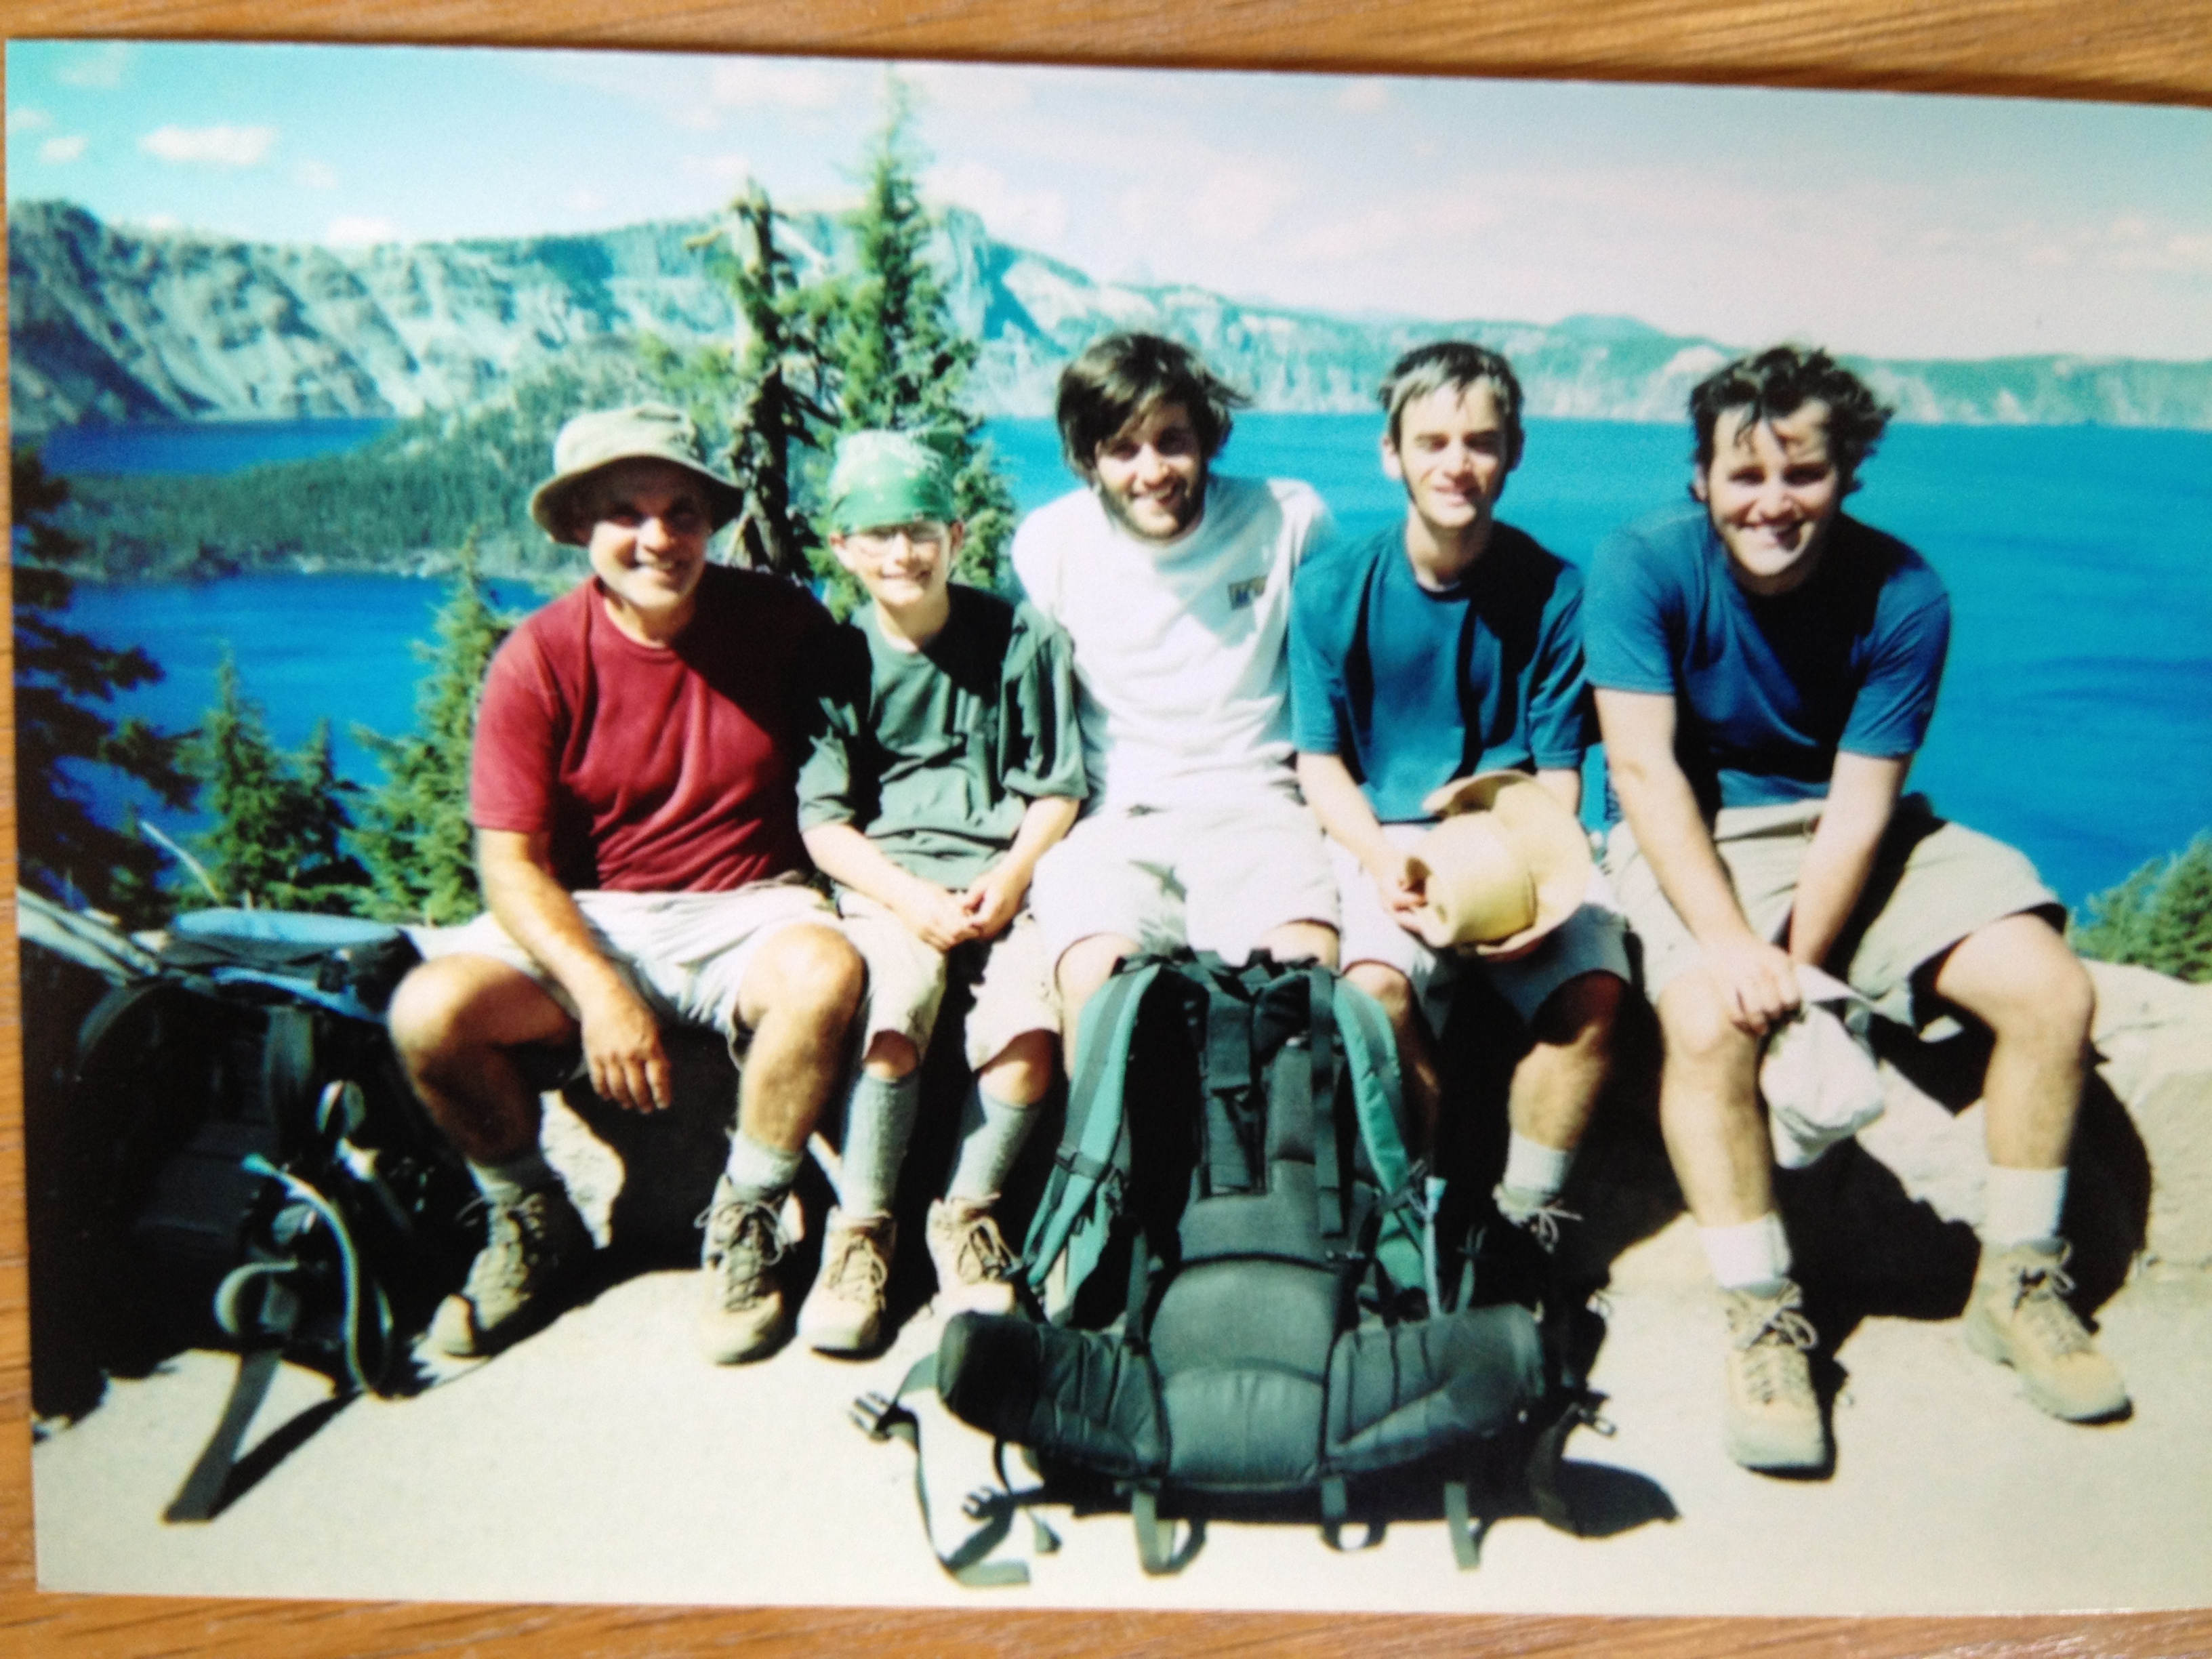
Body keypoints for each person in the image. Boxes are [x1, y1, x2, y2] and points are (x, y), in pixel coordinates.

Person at [1586, 346, 2127, 1474]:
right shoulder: (1638, 567)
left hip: (1858, 835)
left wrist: (1800, 977)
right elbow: (1640, 774)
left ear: (1846, 474)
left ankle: (2017, 1278)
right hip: (1697, 835)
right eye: (1742, 476)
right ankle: (1760, 1314)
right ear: (1699, 479)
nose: (1771, 503)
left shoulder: (1902, 592)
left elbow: (1858, 805)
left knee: (2048, 989)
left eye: (1803, 473)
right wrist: (1733, 950)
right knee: (1704, 1022)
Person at [388, 403, 866, 1366]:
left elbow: (882, 727)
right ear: (578, 529)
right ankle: (530, 1217)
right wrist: (602, 990)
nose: (659, 538)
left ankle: (749, 1217)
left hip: (751, 905)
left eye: (683, 511)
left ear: (710, 524)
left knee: (823, 974)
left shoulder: (777, 621)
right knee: (430, 1011)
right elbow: (510, 865)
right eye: (625, 513)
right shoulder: (539, 659)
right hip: (590, 917)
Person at [1290, 342, 1628, 1251]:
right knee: (1371, 992)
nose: (1457, 463)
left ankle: (1528, 1217)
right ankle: (1427, 1206)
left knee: (1593, 992)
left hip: (1515, 834)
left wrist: (1544, 884)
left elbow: (1560, 769)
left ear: (1513, 449)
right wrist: (1377, 857)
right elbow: (1319, 763)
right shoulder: (1330, 592)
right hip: (1388, 837)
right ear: (1391, 453)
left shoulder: (1555, 592)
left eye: (1480, 441)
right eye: (1432, 440)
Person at [794, 430, 1084, 1352]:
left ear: (958, 535)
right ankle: (864, 1227)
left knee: (1031, 1032)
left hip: (1008, 876)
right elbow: (824, 823)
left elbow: (1057, 785)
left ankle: (966, 1216)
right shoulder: (836, 664)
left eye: (920, 529)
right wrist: (910, 900)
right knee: (895, 1012)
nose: (901, 553)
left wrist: (1011, 877)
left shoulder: (1019, 638)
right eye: (875, 534)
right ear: (841, 548)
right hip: (891, 885)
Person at [1012, 331, 1341, 1055]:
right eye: (1123, 449)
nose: (1152, 470)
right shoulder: (1050, 545)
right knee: (1097, 989)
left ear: (1207, 439)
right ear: (1087, 458)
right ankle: (1106, 1167)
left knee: (1301, 985)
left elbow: (1340, 676)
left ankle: (1284, 1168)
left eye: (1173, 442)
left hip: (1257, 810)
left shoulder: (1287, 520)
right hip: (1115, 822)